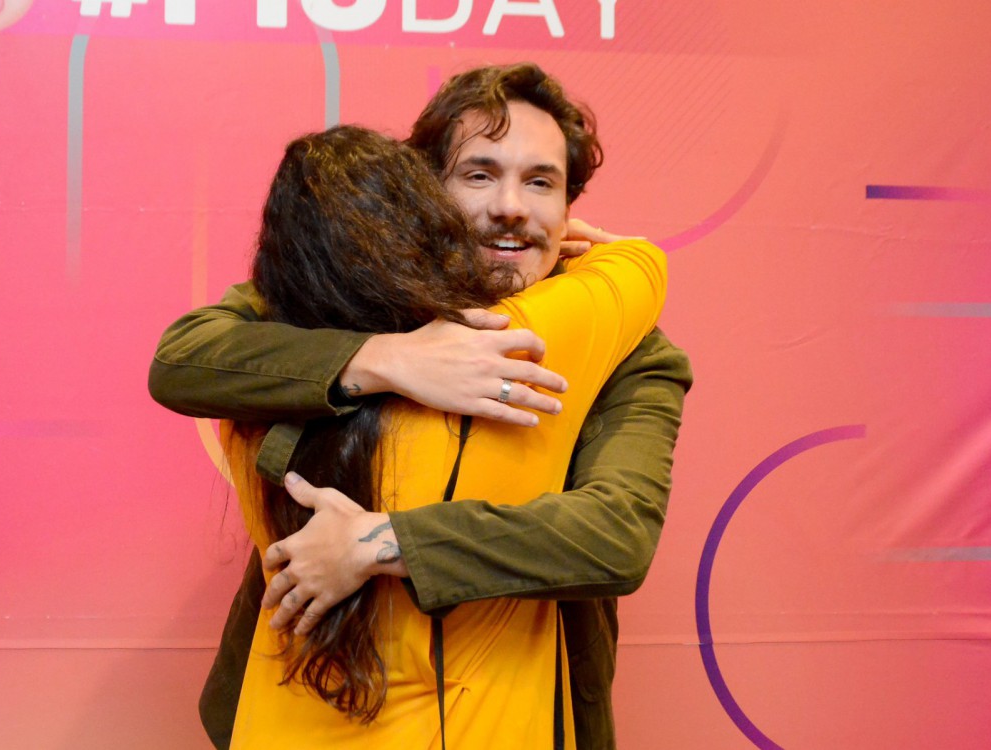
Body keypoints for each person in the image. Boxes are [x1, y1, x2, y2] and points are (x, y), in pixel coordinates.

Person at [149, 63, 693, 750]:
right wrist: (383, 358)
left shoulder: (628, 348)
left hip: (510, 708)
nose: (511, 207)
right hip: (305, 698)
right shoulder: (345, 291)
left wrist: (381, 544)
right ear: (427, 191)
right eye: (479, 175)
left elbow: (616, 534)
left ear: (568, 208)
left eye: (540, 182)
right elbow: (185, 356)